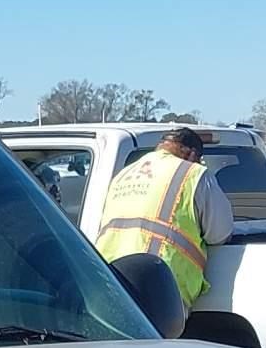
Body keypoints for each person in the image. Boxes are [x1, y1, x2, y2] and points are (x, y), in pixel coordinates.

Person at [93, 126, 232, 309]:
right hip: (160, 288)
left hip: (109, 280)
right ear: (191, 154)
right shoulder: (193, 174)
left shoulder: (124, 174)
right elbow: (219, 233)